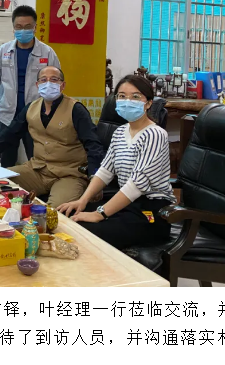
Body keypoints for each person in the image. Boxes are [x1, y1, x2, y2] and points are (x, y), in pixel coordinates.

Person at [57, 75, 175, 250]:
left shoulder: (155, 135)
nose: (127, 101)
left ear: (148, 103)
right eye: (122, 96)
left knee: (85, 233)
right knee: (68, 217)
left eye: (135, 96)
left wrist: (99, 214)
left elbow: (137, 184)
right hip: (126, 203)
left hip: (152, 212)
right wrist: (82, 200)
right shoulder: (120, 132)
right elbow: (105, 171)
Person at [0, 66, 104, 206]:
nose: (48, 83)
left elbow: (93, 144)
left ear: (62, 85)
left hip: (69, 175)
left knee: (54, 212)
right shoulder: (31, 108)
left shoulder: (76, 109)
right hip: (37, 170)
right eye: (43, 80)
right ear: (37, 85)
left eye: (54, 80)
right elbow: (10, 134)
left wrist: (95, 177)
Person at [0, 5, 61, 167]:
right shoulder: (3, 51)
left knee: (38, 159)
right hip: (8, 116)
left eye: (27, 27)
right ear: (13, 28)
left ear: (35, 27)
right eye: (19, 27)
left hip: (36, 116)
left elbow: (56, 81)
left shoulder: (47, 53)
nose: (23, 31)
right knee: (6, 161)